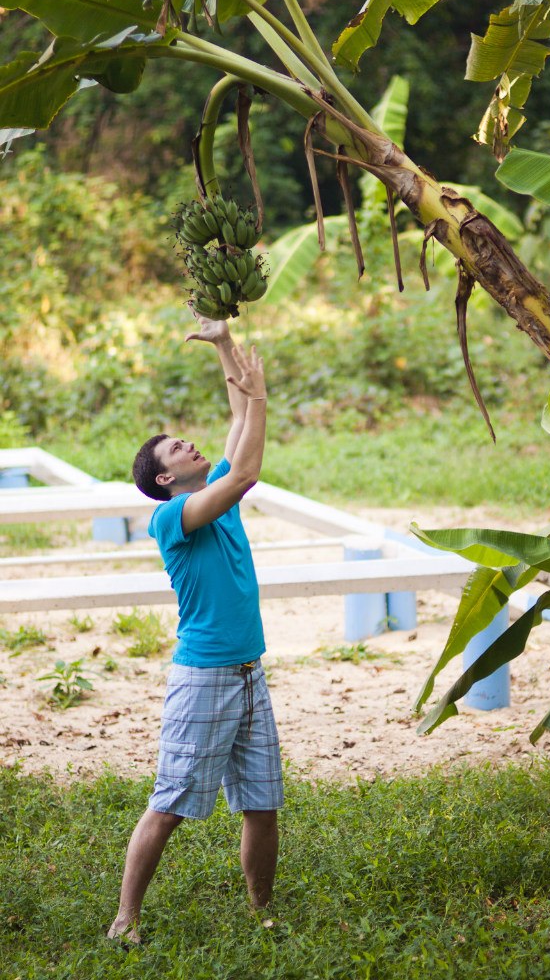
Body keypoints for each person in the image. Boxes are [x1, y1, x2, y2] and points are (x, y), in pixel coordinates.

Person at [107, 311, 283, 946]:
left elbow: (238, 420)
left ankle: (261, 911)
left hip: (248, 669)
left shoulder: (212, 490)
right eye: (176, 448)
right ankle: (125, 919)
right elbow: (247, 470)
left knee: (262, 802)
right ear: (164, 478)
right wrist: (259, 394)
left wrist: (225, 344)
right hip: (204, 674)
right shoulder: (175, 517)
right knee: (173, 801)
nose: (190, 445)